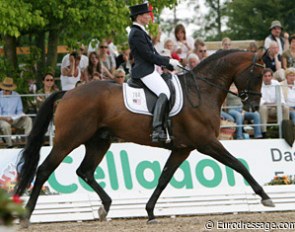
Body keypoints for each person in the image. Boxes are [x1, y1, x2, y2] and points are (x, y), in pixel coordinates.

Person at [128, 2, 180, 142]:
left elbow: (154, 52)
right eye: (147, 15)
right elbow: (148, 56)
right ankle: (157, 130)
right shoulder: (136, 33)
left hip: (150, 69)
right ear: (139, 17)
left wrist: (168, 62)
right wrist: (167, 61)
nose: (149, 17)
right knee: (165, 93)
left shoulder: (140, 31)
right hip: (145, 71)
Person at [0, 77, 32, 148]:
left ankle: (28, 143)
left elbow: (19, 111)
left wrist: (16, 117)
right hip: (2, 119)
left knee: (28, 120)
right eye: (4, 90)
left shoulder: (16, 96)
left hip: (14, 119)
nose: (6, 91)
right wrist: (6, 119)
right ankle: (10, 145)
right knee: (6, 125)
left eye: (8, 90)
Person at [259, 68, 289, 136]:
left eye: (269, 76)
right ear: (263, 77)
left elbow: (281, 97)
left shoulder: (276, 83)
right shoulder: (259, 85)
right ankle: (264, 132)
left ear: (272, 77)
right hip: (266, 108)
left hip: (276, 107)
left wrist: (277, 104)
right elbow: (260, 100)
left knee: (286, 108)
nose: (267, 78)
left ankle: (285, 131)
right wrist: (268, 104)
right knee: (263, 108)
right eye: (265, 76)